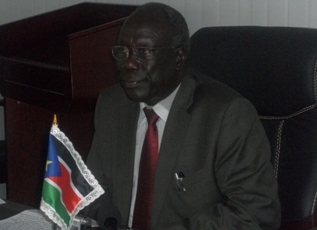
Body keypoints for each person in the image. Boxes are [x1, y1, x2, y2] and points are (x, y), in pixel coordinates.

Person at [85, 2, 281, 229]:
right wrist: (107, 218)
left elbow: (255, 212)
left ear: (179, 57)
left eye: (143, 51)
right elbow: (92, 188)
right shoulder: (112, 104)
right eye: (123, 51)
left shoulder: (226, 116)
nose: (128, 63)